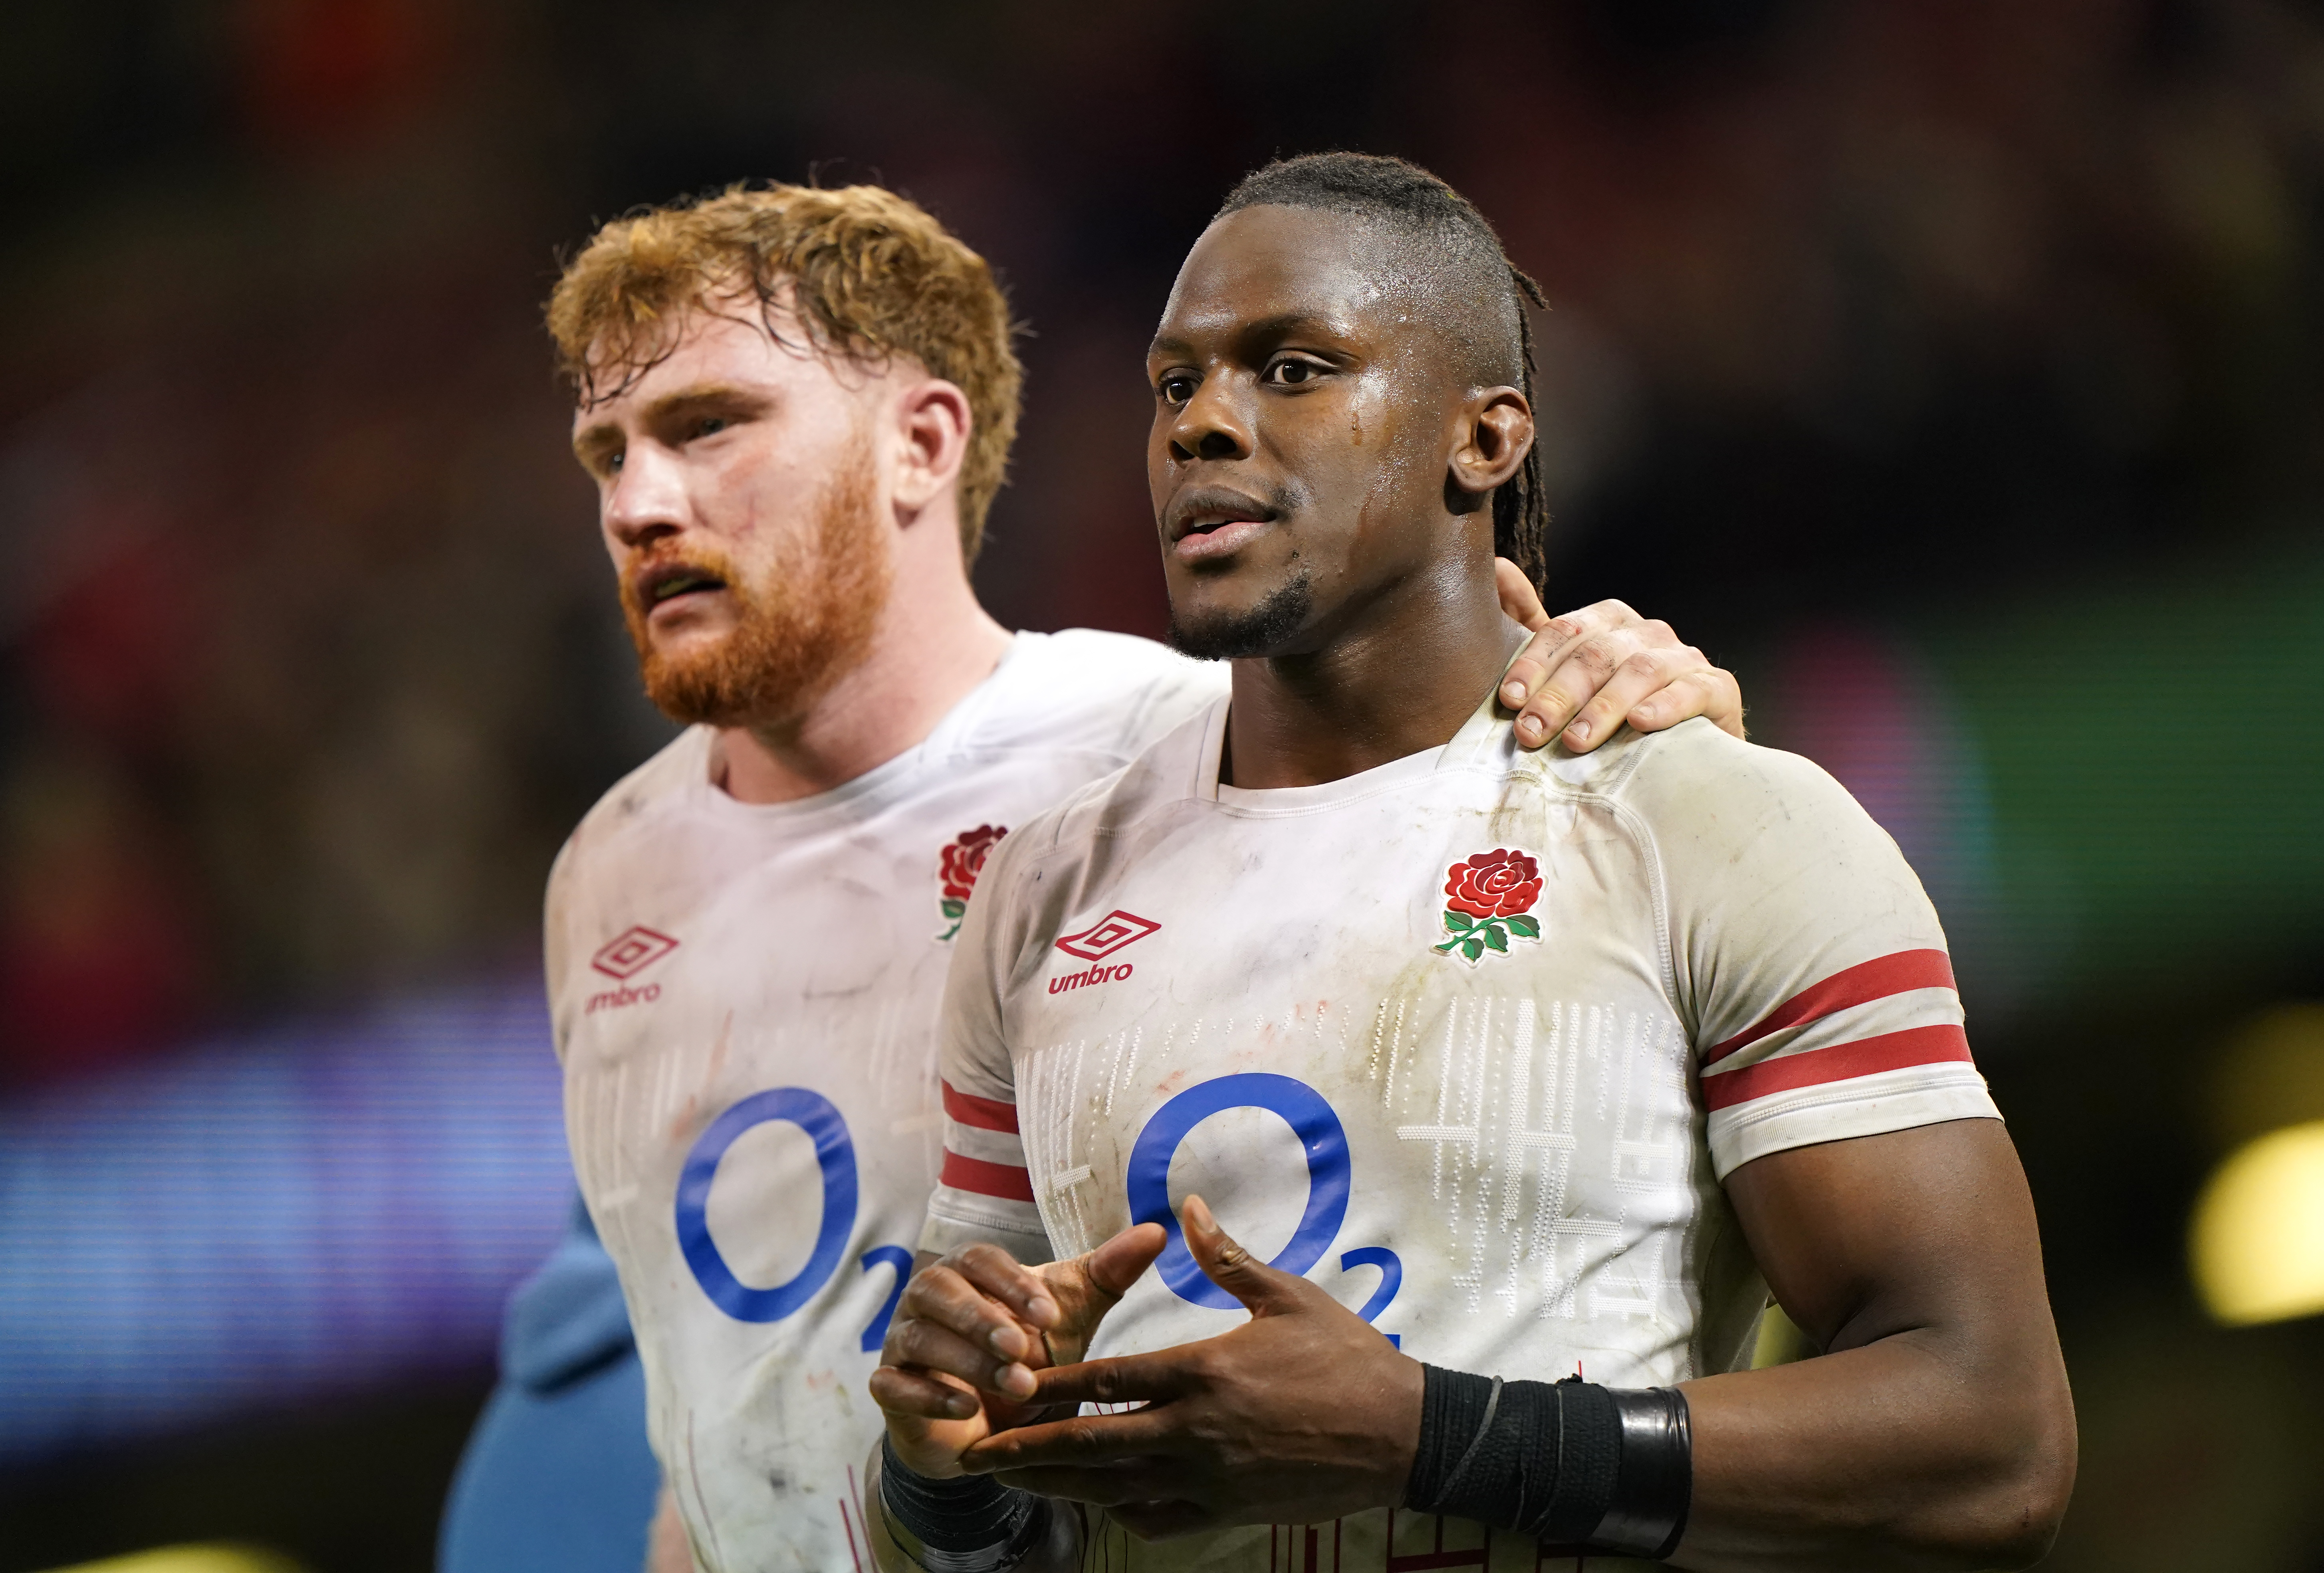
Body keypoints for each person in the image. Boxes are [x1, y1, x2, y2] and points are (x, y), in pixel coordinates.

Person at [871, 154, 2076, 1572]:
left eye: (1294, 367)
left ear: (1485, 439)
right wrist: (943, 1478)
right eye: (1172, 384)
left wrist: (1426, 1436)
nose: (1203, 422)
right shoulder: (1039, 900)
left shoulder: (1714, 824)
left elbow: (1992, 1438)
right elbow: (996, 1535)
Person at [538, 181, 1745, 1572]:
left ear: (920, 444)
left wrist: (1651, 691)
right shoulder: (607, 878)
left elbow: (1545, 813)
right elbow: (714, 1395)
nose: (636, 503)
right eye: (604, 454)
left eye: (707, 426)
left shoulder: (1168, 751)